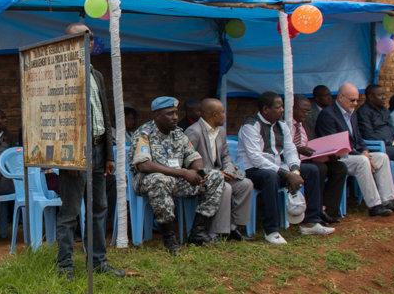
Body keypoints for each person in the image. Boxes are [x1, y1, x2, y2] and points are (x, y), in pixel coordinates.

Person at [55, 24, 125, 278]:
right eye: (82, 36)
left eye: (91, 36)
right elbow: (56, 120)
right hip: (75, 153)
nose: (89, 40)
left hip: (97, 149)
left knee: (99, 208)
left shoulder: (96, 74)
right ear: (70, 41)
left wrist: (108, 155)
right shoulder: (61, 73)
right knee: (70, 212)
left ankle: (98, 262)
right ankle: (65, 266)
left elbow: (104, 116)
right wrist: (68, 159)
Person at [131, 96, 225, 254]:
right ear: (156, 115)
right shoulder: (144, 134)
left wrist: (197, 172)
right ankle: (169, 237)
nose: (175, 117)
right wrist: (183, 172)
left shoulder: (178, 133)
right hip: (148, 180)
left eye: (175, 112)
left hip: (177, 180)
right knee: (159, 180)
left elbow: (194, 157)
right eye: (169, 113)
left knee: (215, 176)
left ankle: (198, 232)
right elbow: (144, 165)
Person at [238, 92, 335, 244]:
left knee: (312, 170)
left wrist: (295, 170)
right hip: (253, 171)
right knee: (270, 176)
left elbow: (290, 150)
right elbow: (256, 158)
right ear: (265, 109)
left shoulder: (282, 125)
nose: (282, 110)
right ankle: (271, 230)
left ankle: (311, 222)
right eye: (278, 107)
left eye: (282, 106)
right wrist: (287, 174)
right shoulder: (250, 126)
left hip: (277, 168)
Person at [314, 82, 394, 217]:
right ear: (340, 97)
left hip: (354, 155)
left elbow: (358, 138)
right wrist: (362, 155)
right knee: (363, 161)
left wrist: (365, 151)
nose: (355, 103)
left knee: (382, 157)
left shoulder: (351, 113)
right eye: (352, 100)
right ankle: (374, 205)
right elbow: (334, 145)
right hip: (336, 158)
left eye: (357, 100)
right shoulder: (328, 115)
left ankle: (387, 200)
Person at [185, 97, 254, 241]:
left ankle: (234, 227)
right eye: (222, 112)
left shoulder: (221, 131)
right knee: (225, 188)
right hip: (202, 178)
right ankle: (218, 232)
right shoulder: (194, 132)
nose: (225, 115)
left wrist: (228, 170)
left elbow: (225, 156)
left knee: (246, 184)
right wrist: (217, 173)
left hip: (221, 175)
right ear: (214, 115)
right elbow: (187, 163)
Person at [292, 96, 346, 222]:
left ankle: (329, 210)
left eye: (308, 111)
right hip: (293, 161)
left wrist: (326, 152)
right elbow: (282, 149)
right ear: (293, 108)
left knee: (340, 167)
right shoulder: (285, 125)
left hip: (309, 157)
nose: (306, 114)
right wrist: (298, 149)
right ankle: (316, 210)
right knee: (319, 169)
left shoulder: (305, 124)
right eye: (303, 110)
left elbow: (312, 143)